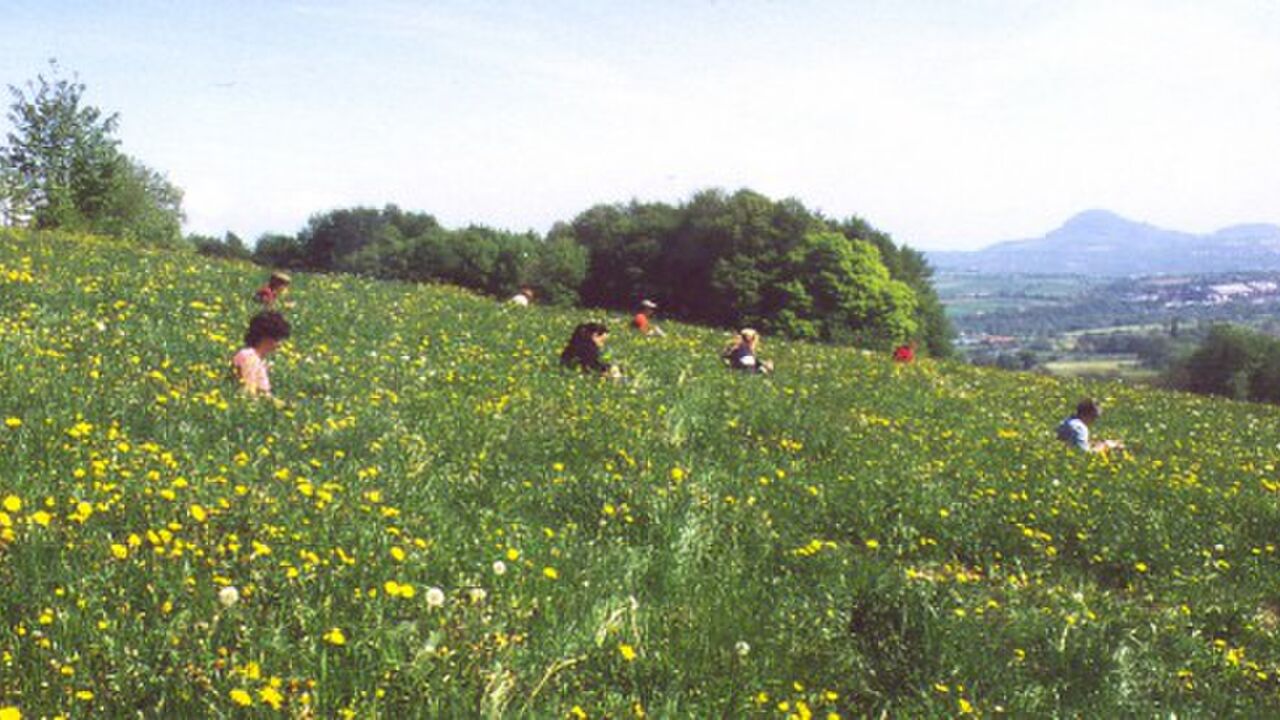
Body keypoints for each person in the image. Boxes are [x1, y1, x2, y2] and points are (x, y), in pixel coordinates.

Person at [233, 311, 291, 397]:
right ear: (266, 338)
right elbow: (249, 391)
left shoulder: (257, 358)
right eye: (277, 339)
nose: (280, 344)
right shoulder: (249, 357)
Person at [1057, 398, 1123, 453]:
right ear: (1087, 414)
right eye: (1094, 417)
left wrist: (1099, 443)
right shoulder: (1080, 428)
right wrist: (1106, 446)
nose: (1094, 421)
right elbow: (1085, 454)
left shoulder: (1065, 422)